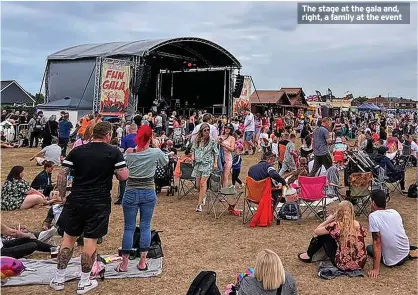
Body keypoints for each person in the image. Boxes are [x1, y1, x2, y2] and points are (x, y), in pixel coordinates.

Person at [50, 122, 129, 294]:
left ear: (93, 133)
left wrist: (62, 196)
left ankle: (58, 278)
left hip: (76, 198)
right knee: (90, 240)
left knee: (68, 238)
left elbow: (62, 173)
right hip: (98, 201)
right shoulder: (113, 152)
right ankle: (84, 281)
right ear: (108, 135)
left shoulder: (78, 150)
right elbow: (124, 176)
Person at [115, 125, 168, 272]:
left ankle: (124, 264)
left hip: (131, 190)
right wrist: (157, 145)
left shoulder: (129, 153)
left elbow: (122, 168)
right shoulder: (155, 152)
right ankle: (142, 262)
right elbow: (165, 163)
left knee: (129, 227)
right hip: (148, 191)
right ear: (151, 137)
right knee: (145, 226)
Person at [298, 201, 367, 271]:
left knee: (324, 236)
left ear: (338, 212)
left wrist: (329, 220)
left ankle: (308, 255)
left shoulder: (336, 225)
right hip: (360, 264)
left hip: (343, 265)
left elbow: (317, 231)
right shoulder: (358, 224)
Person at [367, 190, 417, 278]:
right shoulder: (394, 212)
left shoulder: (373, 217)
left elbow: (377, 242)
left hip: (393, 261)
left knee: (369, 248)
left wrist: (376, 269)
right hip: (405, 252)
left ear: (373, 203)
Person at [191, 123, 219, 212]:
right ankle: (203, 195)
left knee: (203, 183)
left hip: (208, 163)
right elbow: (193, 150)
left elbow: (216, 152)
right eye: (205, 130)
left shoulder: (212, 141)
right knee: (198, 185)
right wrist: (193, 158)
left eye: (208, 130)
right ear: (201, 131)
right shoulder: (197, 140)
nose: (207, 132)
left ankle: (199, 205)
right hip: (198, 164)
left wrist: (215, 163)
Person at [114, 123, 139, 205]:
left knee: (123, 179)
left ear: (129, 130)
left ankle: (122, 198)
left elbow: (121, 150)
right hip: (139, 161)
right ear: (136, 129)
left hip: (127, 160)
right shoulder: (140, 138)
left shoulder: (125, 138)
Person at [217, 123, 236, 190]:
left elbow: (232, 149)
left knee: (225, 175)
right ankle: (221, 189)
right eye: (226, 128)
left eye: (229, 128)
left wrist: (224, 145)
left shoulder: (232, 138)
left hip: (228, 158)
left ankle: (224, 193)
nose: (227, 129)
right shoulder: (219, 137)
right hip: (219, 158)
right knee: (220, 175)